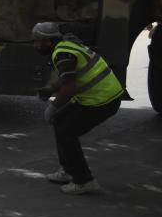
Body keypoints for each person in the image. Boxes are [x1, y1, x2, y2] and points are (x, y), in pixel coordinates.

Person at [31, 22, 125, 195]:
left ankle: (84, 181)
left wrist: (53, 106)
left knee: (67, 133)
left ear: (48, 41)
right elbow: (71, 76)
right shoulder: (65, 46)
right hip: (100, 95)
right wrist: (51, 89)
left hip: (103, 100)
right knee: (60, 122)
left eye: (37, 41)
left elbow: (70, 87)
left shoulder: (62, 53)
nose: (35, 45)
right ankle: (68, 170)